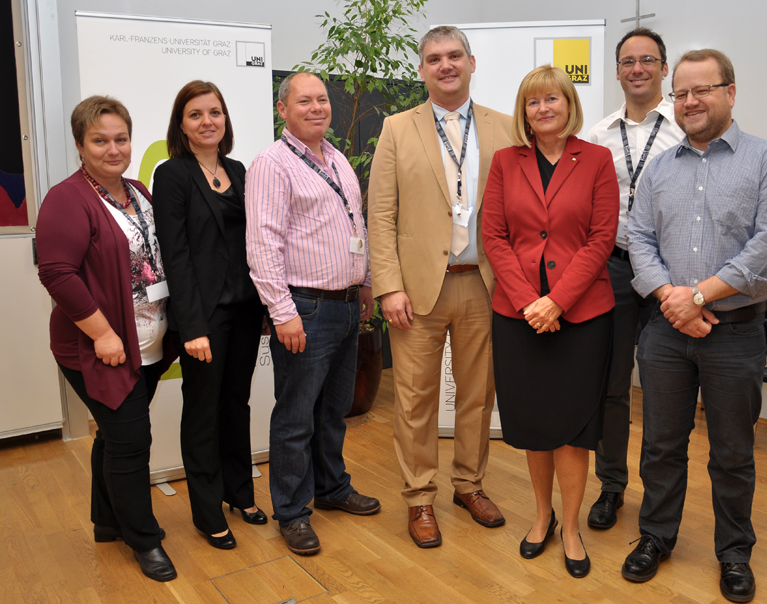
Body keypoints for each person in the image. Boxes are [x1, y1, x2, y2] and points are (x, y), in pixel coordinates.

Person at [625, 49, 767, 603]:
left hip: (737, 334)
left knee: (731, 452)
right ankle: (656, 536)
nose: (690, 101)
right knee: (660, 445)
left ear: (730, 91)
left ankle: (734, 552)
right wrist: (669, 300)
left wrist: (697, 296)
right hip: (664, 334)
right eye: (681, 93)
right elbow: (639, 239)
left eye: (702, 90)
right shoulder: (660, 169)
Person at [368, 25, 512, 549]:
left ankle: (469, 485)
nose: (445, 65)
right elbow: (380, 215)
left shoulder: (505, 127)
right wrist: (387, 287)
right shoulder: (395, 129)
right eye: (434, 58)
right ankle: (420, 497)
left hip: (484, 285)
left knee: (477, 397)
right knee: (414, 400)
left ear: (472, 63)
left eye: (454, 56)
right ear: (422, 68)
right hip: (417, 290)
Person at [482, 65, 618, 578]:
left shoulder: (597, 159)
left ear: (569, 104)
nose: (544, 109)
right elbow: (494, 237)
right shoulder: (504, 162)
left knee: (573, 429)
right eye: (534, 101)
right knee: (536, 423)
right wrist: (527, 302)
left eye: (553, 99)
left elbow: (601, 238)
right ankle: (542, 517)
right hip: (519, 317)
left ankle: (572, 528)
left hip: (581, 315)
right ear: (524, 110)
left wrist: (556, 301)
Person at [37, 96, 176, 582]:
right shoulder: (67, 198)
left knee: (116, 439)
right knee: (132, 440)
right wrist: (103, 333)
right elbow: (56, 273)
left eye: (120, 139)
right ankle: (144, 539)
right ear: (80, 145)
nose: (113, 149)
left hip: (150, 345)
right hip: (102, 348)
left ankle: (107, 521)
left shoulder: (138, 191)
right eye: (100, 140)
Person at [245, 72, 380, 556]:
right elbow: (263, 245)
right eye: (304, 101)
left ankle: (332, 488)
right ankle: (292, 511)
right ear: (284, 110)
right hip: (305, 307)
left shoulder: (338, 158)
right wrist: (282, 313)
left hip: (345, 305)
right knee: (296, 416)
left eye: (322, 99)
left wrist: (364, 282)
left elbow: (354, 224)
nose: (317, 107)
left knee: (332, 411)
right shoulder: (272, 164)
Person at [152, 81, 266, 551]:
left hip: (244, 311)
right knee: (202, 412)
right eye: (195, 114)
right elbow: (174, 255)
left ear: (225, 119)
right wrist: (192, 326)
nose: (207, 121)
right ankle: (205, 510)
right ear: (181, 124)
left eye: (214, 112)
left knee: (236, 405)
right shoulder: (173, 174)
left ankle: (239, 492)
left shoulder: (239, 171)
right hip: (204, 318)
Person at [585, 28, 685, 530]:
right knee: (612, 386)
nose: (638, 68)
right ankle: (611, 487)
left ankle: (659, 501)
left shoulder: (688, 130)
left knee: (665, 391)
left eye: (648, 60)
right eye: (628, 61)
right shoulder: (599, 134)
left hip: (675, 276)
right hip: (616, 269)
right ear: (618, 71)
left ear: (664, 69)